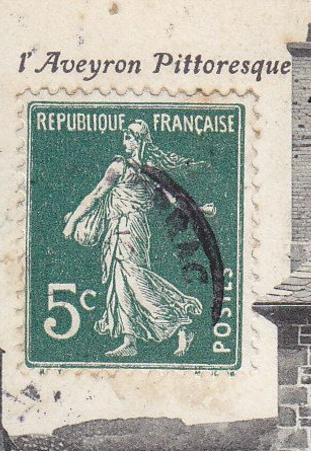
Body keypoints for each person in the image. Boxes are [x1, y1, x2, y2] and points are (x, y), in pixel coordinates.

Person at [61, 119, 211, 360]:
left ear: (139, 140)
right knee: (120, 282)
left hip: (130, 228)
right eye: (125, 136)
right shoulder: (129, 167)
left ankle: (180, 323)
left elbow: (174, 199)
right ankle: (129, 339)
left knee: (135, 279)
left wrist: (71, 223)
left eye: (129, 136)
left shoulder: (139, 169)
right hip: (119, 227)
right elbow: (97, 194)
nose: (125, 140)